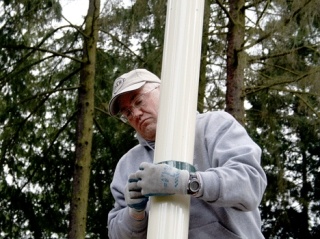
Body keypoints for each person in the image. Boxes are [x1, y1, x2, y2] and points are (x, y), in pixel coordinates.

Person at [107, 68, 267, 239]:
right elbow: (115, 233)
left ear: (164, 91)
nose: (136, 114)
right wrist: (134, 214)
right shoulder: (128, 164)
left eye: (139, 101)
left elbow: (251, 183)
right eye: (128, 113)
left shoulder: (214, 126)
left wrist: (186, 181)